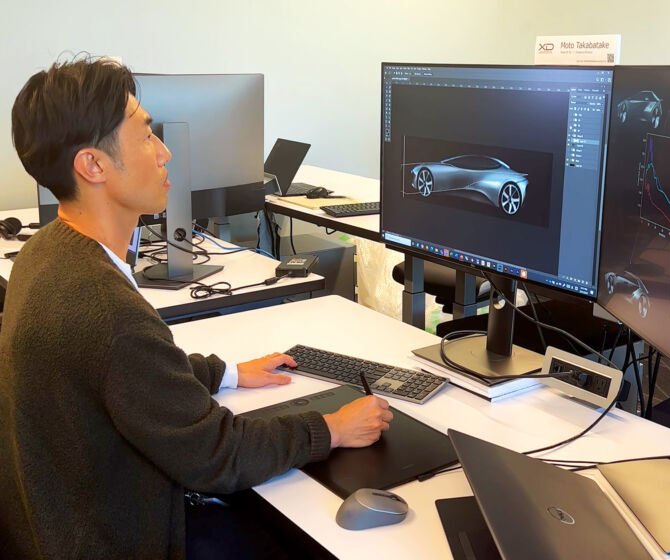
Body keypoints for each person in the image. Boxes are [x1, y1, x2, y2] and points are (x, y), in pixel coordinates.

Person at [0, 56, 393, 559]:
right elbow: (216, 455)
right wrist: (331, 428)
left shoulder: (46, 251)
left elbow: (128, 375)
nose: (165, 152)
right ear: (93, 165)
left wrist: (228, 373)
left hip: (62, 518)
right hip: (112, 538)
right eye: (146, 135)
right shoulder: (106, 310)